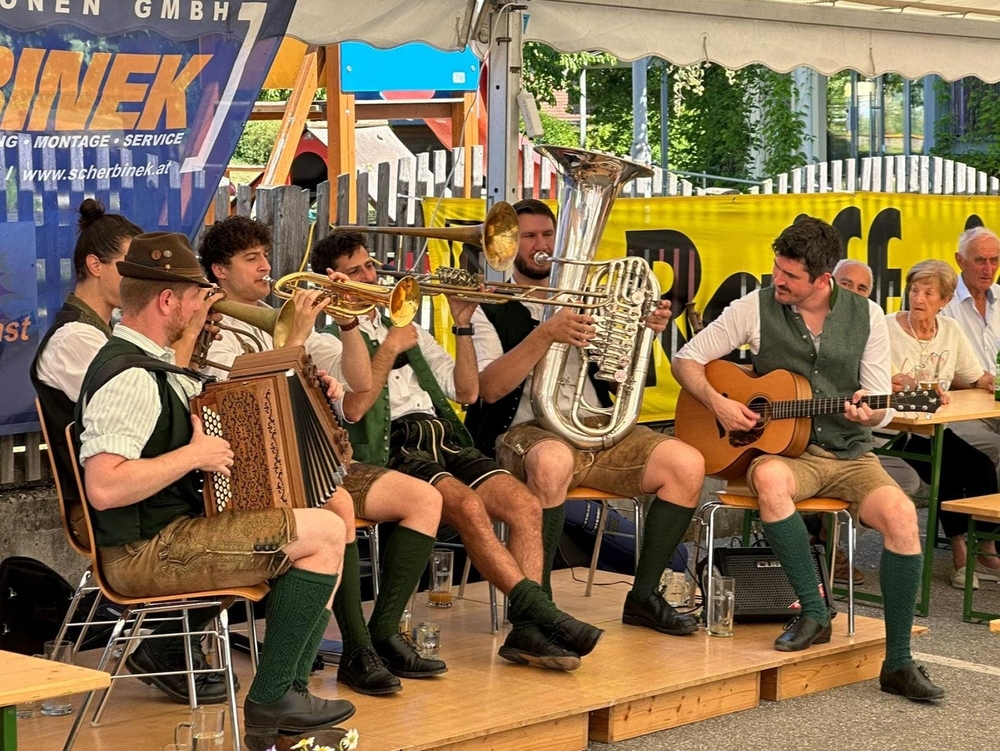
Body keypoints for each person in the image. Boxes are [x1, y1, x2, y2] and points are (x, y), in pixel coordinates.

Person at [74, 232, 356, 736]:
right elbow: (104, 487)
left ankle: (287, 695)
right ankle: (275, 699)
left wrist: (305, 386)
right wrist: (193, 456)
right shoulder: (130, 376)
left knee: (328, 520)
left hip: (169, 532)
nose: (203, 309)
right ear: (167, 300)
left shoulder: (156, 363)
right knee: (323, 533)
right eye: (196, 298)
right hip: (143, 552)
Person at [672, 217, 944, 702]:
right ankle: (815, 612)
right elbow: (686, 359)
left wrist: (871, 412)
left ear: (822, 279)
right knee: (771, 481)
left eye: (790, 275)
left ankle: (898, 662)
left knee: (902, 516)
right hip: (786, 454)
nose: (777, 280)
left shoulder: (867, 315)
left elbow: (878, 406)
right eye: (777, 268)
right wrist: (719, 404)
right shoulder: (753, 307)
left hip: (851, 454)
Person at [312, 230, 602, 672]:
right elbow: (354, 407)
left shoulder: (407, 327)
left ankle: (527, 628)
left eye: (370, 265)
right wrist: (389, 347)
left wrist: (462, 323)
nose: (371, 276)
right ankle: (544, 613)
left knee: (524, 505)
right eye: (357, 271)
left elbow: (467, 392)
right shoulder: (325, 340)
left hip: (442, 436)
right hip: (392, 444)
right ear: (334, 282)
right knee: (467, 506)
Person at [197, 217, 446, 696]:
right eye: (251, 259)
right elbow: (246, 406)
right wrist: (295, 341)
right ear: (220, 271)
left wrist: (348, 318)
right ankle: (355, 648)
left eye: (265, 256)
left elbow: (360, 387)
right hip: (253, 470)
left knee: (423, 499)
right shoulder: (214, 331)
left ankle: (382, 633)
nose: (266, 267)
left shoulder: (289, 319)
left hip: (313, 461)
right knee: (339, 506)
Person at [464, 198, 704, 637]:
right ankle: (538, 607)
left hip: (594, 425)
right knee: (552, 462)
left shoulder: (592, 299)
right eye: (528, 236)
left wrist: (642, 330)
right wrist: (544, 334)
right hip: (522, 432)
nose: (540, 245)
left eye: (547, 234)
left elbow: (617, 373)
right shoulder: (489, 307)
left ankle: (644, 596)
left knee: (686, 464)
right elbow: (489, 389)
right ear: (508, 246)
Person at [32, 199, 142, 550]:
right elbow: (139, 409)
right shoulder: (74, 339)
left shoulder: (103, 332)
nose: (138, 277)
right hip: (101, 510)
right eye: (129, 266)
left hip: (130, 494)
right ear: (95, 265)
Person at [887, 259, 1000, 589]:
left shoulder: (949, 330)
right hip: (893, 432)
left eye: (928, 293)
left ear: (945, 301)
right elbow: (880, 381)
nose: (918, 299)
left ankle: (985, 550)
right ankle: (960, 555)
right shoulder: (886, 328)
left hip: (934, 429)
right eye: (914, 291)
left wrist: (989, 382)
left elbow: (975, 375)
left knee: (980, 464)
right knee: (946, 468)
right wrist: (908, 385)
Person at [940, 226, 1000, 480]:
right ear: (960, 260)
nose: (988, 269)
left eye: (994, 260)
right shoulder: (943, 302)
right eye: (980, 261)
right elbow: (939, 367)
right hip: (962, 410)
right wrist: (979, 381)